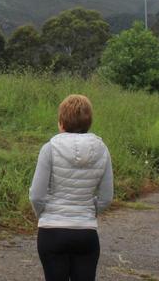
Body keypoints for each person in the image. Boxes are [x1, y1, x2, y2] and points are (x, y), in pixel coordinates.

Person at [30, 95, 114, 281]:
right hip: (86, 233)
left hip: (51, 232)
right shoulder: (102, 149)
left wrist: (43, 214)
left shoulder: (49, 149)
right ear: (88, 122)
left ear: (61, 122)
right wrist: (90, 210)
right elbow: (106, 197)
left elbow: (36, 195)